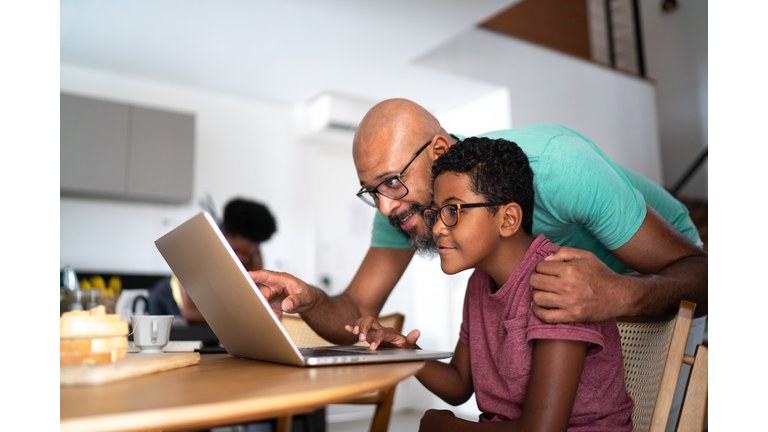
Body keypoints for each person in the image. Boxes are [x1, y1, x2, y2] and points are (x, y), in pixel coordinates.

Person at [251, 99, 706, 428]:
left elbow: (702, 275)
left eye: (391, 182)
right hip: (559, 302)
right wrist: (307, 300)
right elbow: (357, 310)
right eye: (372, 192)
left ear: (438, 150)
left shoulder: (558, 167)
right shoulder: (442, 243)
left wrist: (621, 292)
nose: (385, 208)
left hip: (656, 272)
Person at [347, 137, 633, 431]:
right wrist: (403, 352)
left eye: (453, 211)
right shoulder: (479, 283)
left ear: (508, 219)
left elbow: (542, 429)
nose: (438, 228)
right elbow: (459, 385)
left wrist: (447, 427)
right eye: (435, 213)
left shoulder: (559, 282)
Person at [149, 197, 277, 322]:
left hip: (214, 307)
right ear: (222, 234)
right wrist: (239, 316)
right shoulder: (199, 255)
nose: (241, 259)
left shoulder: (254, 255)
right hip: (170, 300)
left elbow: (252, 300)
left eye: (247, 254)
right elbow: (189, 312)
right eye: (235, 250)